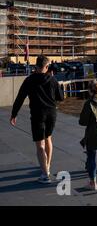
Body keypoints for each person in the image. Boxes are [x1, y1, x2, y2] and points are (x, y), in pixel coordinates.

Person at [10, 55, 64, 184]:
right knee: (48, 138)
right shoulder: (52, 80)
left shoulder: (29, 80)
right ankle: (48, 167)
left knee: (40, 144)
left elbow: (20, 98)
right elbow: (61, 97)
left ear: (36, 66)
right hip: (51, 113)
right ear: (46, 66)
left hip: (37, 114)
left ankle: (45, 174)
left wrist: (14, 114)